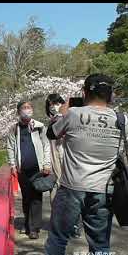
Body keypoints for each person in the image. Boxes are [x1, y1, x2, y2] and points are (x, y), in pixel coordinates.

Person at [43, 73, 128, 255]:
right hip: (104, 191)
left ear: (84, 92)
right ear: (111, 95)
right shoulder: (122, 119)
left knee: (57, 240)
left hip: (72, 188)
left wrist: (61, 114)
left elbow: (51, 133)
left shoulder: (73, 114)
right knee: (100, 247)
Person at [7, 101, 51, 239]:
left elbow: (46, 145)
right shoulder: (14, 128)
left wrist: (47, 164)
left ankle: (34, 228)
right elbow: (10, 147)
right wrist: (13, 165)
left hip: (38, 168)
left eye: (29, 107)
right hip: (22, 170)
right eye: (24, 108)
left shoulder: (39, 127)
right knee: (26, 198)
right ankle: (27, 224)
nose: (27, 110)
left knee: (36, 198)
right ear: (19, 111)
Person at [45, 93, 82, 238]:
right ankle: (57, 224)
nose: (54, 106)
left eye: (57, 102)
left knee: (74, 195)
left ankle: (74, 225)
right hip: (56, 164)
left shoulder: (72, 118)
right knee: (56, 194)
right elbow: (48, 143)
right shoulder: (52, 123)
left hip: (72, 162)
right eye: (51, 104)